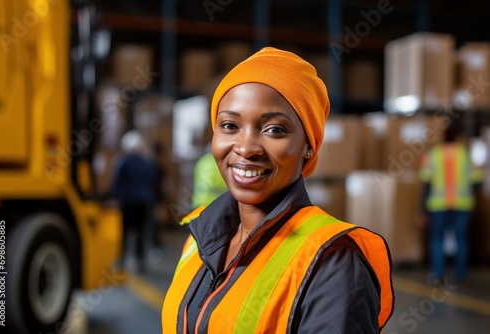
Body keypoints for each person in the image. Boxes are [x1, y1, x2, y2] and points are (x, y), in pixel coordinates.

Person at [162, 47, 394, 333]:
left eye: (274, 130)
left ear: (308, 146)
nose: (246, 148)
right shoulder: (198, 238)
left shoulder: (333, 264)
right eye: (230, 125)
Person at [419, 120, 483, 284]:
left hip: (438, 204)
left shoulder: (433, 154)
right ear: (458, 137)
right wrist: (470, 194)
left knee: (437, 239)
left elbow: (426, 183)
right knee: (461, 239)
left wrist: (422, 208)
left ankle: (438, 274)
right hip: (463, 204)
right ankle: (460, 275)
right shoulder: (465, 154)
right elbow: (477, 180)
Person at [111, 130, 157, 272]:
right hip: (144, 201)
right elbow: (152, 181)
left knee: (124, 232)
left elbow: (118, 183)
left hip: (128, 202)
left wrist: (115, 199)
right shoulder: (147, 163)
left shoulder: (124, 162)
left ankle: (121, 260)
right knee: (141, 232)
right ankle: (140, 261)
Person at [192, 144, 228, 209]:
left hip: (198, 202)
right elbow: (218, 183)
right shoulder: (216, 163)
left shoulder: (202, 161)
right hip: (212, 204)